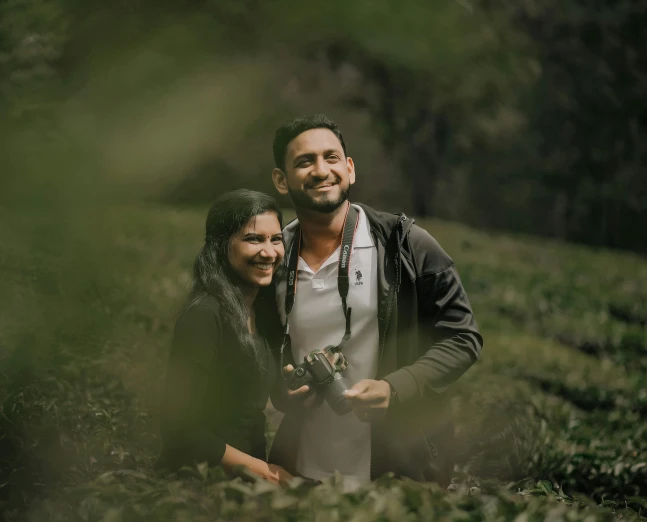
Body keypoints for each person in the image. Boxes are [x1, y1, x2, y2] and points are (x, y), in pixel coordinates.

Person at [267, 114, 483, 490]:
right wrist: (280, 389)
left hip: (397, 474)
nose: (321, 171)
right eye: (305, 161)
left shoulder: (407, 245)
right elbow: (262, 350)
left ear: (349, 169)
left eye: (331, 158)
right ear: (281, 181)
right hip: (302, 473)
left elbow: (463, 338)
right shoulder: (271, 256)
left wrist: (395, 387)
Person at [157, 189, 294, 485]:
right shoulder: (204, 315)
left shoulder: (265, 315)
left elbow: (268, 400)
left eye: (276, 239)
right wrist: (264, 472)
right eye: (253, 239)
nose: (269, 252)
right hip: (197, 483)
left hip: (248, 482)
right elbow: (180, 428)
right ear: (221, 245)